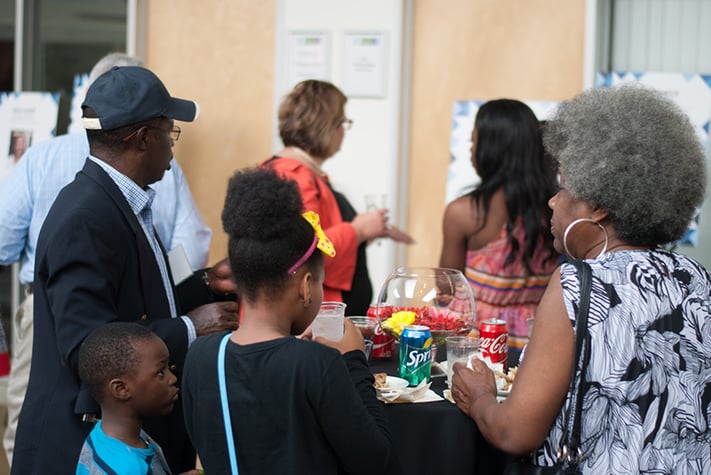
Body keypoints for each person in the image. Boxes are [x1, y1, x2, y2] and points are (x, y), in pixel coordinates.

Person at [450, 85, 711, 473]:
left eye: (564, 187)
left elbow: (514, 433)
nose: (553, 200)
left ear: (601, 206)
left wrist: (481, 397)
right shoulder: (696, 277)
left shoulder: (577, 283)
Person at [11, 66, 239, 475]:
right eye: (170, 134)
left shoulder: (117, 200)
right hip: (80, 447)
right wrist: (190, 327)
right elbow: (87, 345)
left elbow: (134, 302)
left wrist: (204, 284)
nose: (172, 148)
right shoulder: (84, 217)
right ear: (143, 138)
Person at [181, 167, 398, 474]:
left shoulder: (202, 356)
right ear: (305, 286)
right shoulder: (319, 364)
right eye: (320, 282)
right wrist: (352, 359)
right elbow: (378, 461)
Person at [265, 79, 413, 316]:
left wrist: (367, 230)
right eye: (342, 122)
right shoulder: (295, 177)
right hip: (314, 320)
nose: (343, 131)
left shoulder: (303, 172)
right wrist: (359, 231)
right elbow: (306, 250)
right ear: (326, 126)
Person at [439, 99, 559, 363]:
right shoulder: (554, 207)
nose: (471, 151)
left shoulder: (464, 212)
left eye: (473, 142)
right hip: (537, 336)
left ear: (490, 149)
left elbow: (447, 284)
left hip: (477, 339)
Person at [76, 322, 199, 475]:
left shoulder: (104, 435)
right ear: (121, 389)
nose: (173, 379)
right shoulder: (129, 469)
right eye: (161, 372)